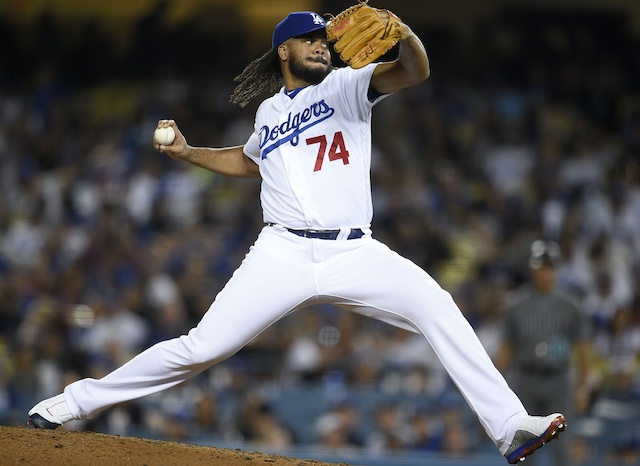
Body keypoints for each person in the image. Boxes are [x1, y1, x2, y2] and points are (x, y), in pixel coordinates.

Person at [28, 9, 566, 464]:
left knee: (437, 305)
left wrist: (403, 33)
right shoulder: (269, 111)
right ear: (284, 50)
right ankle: (73, 403)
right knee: (200, 347)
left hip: (354, 250)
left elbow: (414, 73)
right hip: (282, 250)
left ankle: (511, 427)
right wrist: (189, 153)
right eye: (310, 40)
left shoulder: (348, 85)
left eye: (323, 40)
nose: (321, 46)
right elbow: (247, 160)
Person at [496, 240, 591, 465]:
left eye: (549, 267)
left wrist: (583, 387)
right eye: (541, 266)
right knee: (524, 450)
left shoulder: (571, 305)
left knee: (564, 451)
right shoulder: (515, 304)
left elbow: (583, 349)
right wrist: (497, 387)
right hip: (525, 379)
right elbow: (505, 350)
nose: (545, 272)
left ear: (556, 269)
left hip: (559, 380)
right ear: (532, 268)